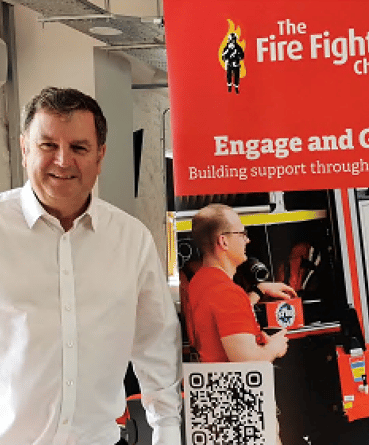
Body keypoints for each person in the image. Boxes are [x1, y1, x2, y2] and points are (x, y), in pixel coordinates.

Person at [0, 87, 182, 444]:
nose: (63, 161)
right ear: (24, 149)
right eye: (47, 145)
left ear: (100, 156)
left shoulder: (131, 240)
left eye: (79, 148)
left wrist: (167, 432)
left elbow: (156, 344)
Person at [187, 204, 297, 443]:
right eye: (242, 234)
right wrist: (275, 347)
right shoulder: (227, 292)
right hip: (244, 411)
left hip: (219, 409)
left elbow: (225, 317)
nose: (247, 240)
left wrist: (258, 290)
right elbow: (246, 362)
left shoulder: (200, 284)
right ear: (223, 242)